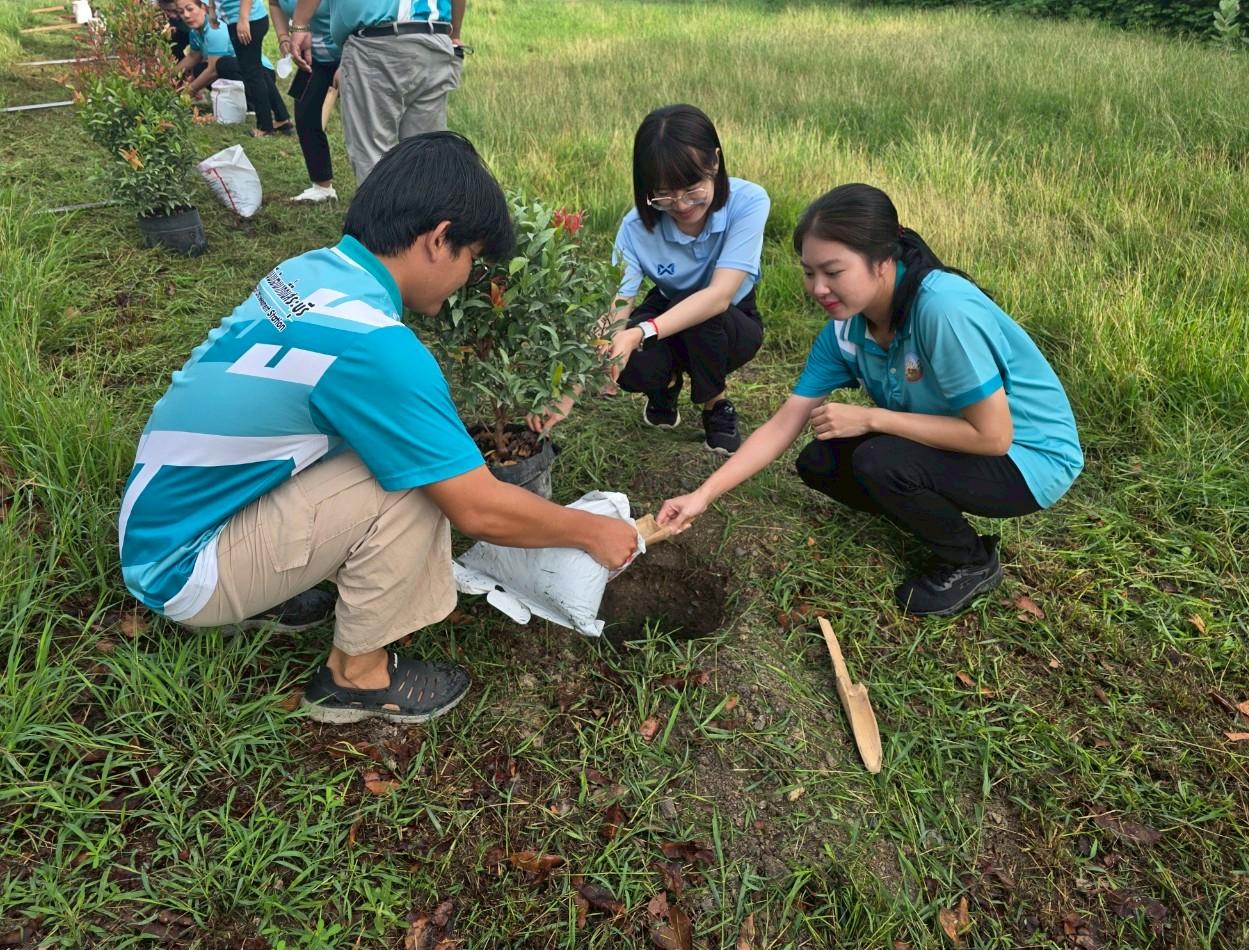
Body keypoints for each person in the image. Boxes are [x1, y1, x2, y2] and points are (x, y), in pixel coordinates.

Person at [117, 132, 638, 724]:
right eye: (472, 259)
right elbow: (479, 510)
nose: (470, 278)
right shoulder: (375, 346)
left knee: (405, 450)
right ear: (439, 240)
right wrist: (590, 532)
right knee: (419, 479)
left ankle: (269, 589)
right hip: (184, 567)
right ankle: (355, 677)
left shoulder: (309, 273)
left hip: (159, 524)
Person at [658, 184, 1083, 616]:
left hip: (1029, 458)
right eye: (809, 272)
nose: (818, 288)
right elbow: (785, 423)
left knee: (878, 460)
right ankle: (919, 507)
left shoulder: (941, 311)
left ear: (883, 262)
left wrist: (873, 418)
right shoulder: (846, 331)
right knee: (819, 463)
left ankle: (971, 560)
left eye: (834, 271)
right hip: (964, 442)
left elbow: (993, 437)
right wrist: (703, 495)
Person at [531, 104, 770, 457]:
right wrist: (567, 393)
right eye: (664, 193)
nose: (681, 204)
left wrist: (640, 332)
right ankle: (666, 384)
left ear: (715, 162)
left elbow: (719, 296)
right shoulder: (634, 228)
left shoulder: (748, 202)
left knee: (704, 315)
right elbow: (615, 313)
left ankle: (714, 405)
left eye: (692, 188)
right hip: (667, 306)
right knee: (623, 359)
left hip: (731, 316)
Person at [288, 0, 466, 184]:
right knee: (426, 153)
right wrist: (455, 35)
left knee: (373, 155)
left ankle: (381, 211)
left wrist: (300, 24)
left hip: (377, 42)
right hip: (436, 39)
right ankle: (425, 210)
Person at [269, 0, 340, 202]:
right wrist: (284, 38)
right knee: (305, 115)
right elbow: (274, 4)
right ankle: (322, 186)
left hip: (350, 53)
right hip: (311, 58)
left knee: (361, 124)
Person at [177, 0, 291, 116]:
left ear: (202, 7)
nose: (186, 15)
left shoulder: (215, 30)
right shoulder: (195, 31)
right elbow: (193, 57)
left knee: (223, 64)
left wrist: (186, 92)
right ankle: (277, 117)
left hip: (260, 70)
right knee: (200, 68)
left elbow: (213, 71)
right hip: (240, 66)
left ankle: (254, 107)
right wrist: (167, 77)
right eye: (181, 12)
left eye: (190, 9)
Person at [210, 0, 290, 136]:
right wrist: (212, 10)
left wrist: (243, 19)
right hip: (244, 19)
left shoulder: (243, 19)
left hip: (246, 21)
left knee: (252, 74)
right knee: (257, 70)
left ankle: (265, 127)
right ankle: (282, 117)